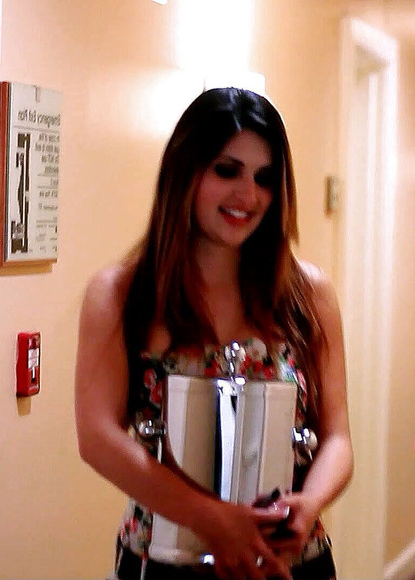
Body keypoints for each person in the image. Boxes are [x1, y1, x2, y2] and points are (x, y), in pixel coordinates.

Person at [75, 87, 353, 580]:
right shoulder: (121, 293)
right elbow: (97, 438)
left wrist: (309, 504)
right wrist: (211, 519)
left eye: (264, 178)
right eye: (227, 171)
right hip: (164, 561)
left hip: (287, 560)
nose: (248, 196)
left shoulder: (309, 293)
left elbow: (337, 439)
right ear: (186, 171)